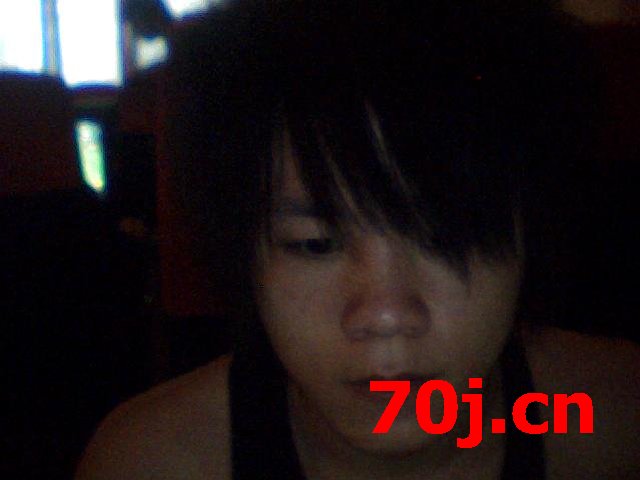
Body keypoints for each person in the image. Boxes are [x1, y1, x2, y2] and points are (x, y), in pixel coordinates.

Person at [75, 1, 640, 479]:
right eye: (314, 244)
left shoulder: (612, 419)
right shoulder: (154, 462)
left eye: (449, 235)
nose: (385, 315)